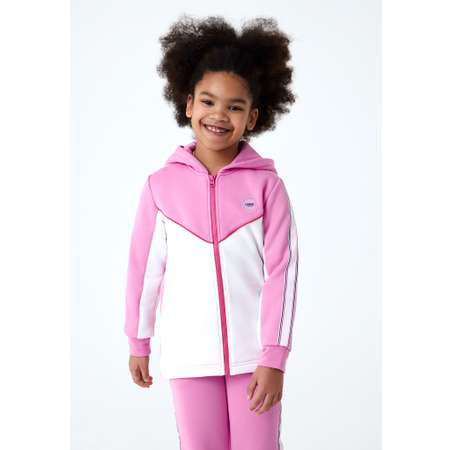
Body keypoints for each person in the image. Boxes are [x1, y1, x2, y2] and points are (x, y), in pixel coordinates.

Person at [124, 14, 299, 450]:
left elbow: (283, 274)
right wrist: (138, 341)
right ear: (188, 105)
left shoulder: (267, 188)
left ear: (253, 117)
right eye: (208, 101)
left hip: (254, 360)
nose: (219, 114)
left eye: (235, 106)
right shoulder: (160, 187)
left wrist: (274, 357)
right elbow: (144, 271)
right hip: (189, 359)